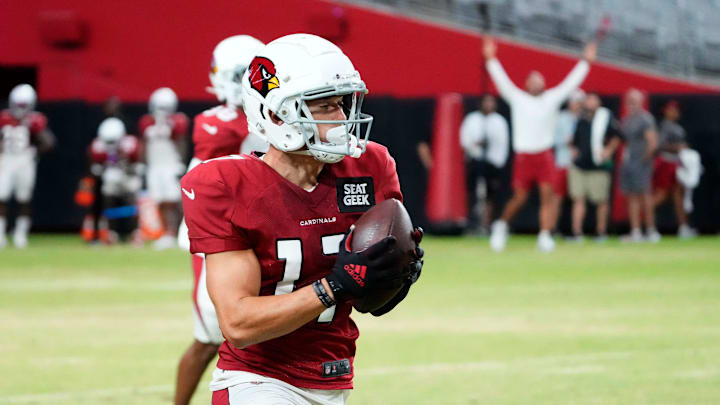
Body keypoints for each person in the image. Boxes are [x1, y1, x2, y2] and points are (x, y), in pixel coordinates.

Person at [182, 34, 424, 405]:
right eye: (324, 107)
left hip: (334, 374)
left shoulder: (370, 166)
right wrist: (335, 285)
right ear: (277, 114)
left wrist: (393, 276)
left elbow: (369, 304)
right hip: (256, 381)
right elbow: (238, 323)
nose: (343, 118)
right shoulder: (225, 185)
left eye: (342, 104)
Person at [174, 34, 265, 405]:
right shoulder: (218, 123)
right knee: (214, 337)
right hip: (217, 233)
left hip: (261, 229)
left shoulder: (259, 119)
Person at [483, 37, 596, 252]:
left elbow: (571, 83)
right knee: (520, 197)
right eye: (532, 81)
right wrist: (491, 59)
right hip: (524, 155)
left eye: (539, 80)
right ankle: (501, 226)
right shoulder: (517, 98)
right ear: (526, 85)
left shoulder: (551, 99)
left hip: (544, 154)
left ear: (544, 84)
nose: (536, 83)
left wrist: (586, 62)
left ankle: (545, 235)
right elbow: (502, 81)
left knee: (548, 195)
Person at [0, 84, 55, 248]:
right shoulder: (3, 117)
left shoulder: (35, 120)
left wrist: (34, 151)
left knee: (24, 199)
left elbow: (49, 142)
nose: (20, 109)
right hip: (6, 160)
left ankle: (20, 235)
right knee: (1, 197)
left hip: (25, 161)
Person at [139, 87, 189, 250]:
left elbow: (181, 141)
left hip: (170, 165)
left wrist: (181, 162)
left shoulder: (177, 121)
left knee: (174, 201)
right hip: (155, 167)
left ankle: (176, 232)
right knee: (160, 200)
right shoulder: (147, 122)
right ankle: (167, 233)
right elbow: (144, 145)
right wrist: (142, 163)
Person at [568, 93, 621, 241]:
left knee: (601, 200)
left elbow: (617, 136)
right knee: (578, 199)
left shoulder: (605, 116)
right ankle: (577, 233)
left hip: (598, 166)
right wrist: (573, 150)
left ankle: (601, 232)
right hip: (580, 165)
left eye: (593, 99)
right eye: (588, 99)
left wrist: (608, 150)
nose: (589, 102)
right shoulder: (581, 118)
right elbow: (575, 140)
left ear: (599, 101)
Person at [459, 94, 509, 233]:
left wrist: (498, 163)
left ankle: (487, 223)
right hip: (475, 161)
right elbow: (464, 140)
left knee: (490, 195)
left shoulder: (499, 121)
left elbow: (503, 144)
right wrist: (475, 144)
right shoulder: (473, 119)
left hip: (492, 163)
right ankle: (473, 222)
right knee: (473, 193)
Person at [88, 118, 143, 243]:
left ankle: (135, 231)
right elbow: (94, 165)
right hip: (110, 174)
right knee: (108, 195)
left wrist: (128, 166)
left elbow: (137, 163)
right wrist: (98, 167)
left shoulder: (130, 144)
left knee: (132, 196)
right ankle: (111, 231)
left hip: (129, 175)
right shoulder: (98, 146)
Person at [652, 100, 697, 239]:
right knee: (661, 195)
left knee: (679, 196)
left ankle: (683, 227)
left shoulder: (675, 126)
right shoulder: (665, 127)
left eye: (676, 110)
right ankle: (646, 226)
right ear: (665, 111)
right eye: (671, 109)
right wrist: (678, 147)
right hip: (666, 163)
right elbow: (659, 145)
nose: (674, 112)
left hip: (677, 163)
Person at [619, 89, 659, 243]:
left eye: (634, 101)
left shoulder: (646, 119)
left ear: (641, 102)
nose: (631, 104)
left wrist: (644, 160)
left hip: (641, 163)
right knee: (632, 197)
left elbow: (652, 142)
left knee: (645, 196)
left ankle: (651, 230)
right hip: (628, 163)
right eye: (629, 101)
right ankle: (635, 231)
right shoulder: (626, 119)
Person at [550, 89, 585, 233]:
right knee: (557, 197)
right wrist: (569, 142)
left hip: (580, 165)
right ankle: (551, 229)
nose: (576, 105)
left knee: (578, 198)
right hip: (563, 163)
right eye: (574, 102)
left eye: (578, 102)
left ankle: (576, 231)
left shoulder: (585, 119)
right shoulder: (560, 118)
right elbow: (554, 140)